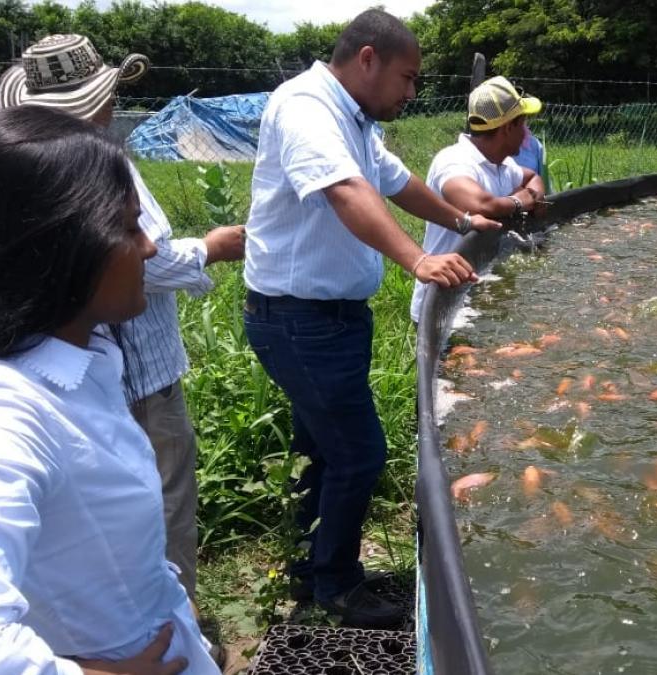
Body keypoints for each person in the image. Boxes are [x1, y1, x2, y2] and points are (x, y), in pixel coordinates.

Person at [242, 9, 499, 628]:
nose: (411, 92)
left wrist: (463, 224)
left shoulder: (352, 117)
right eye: (407, 77)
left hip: (328, 319)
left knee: (323, 448)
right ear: (367, 60)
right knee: (360, 455)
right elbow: (347, 191)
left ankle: (307, 564)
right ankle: (336, 583)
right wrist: (417, 258)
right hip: (299, 319)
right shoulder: (306, 106)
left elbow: (397, 181)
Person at [0, 33, 247, 601]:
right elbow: (148, 263)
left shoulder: (35, 168)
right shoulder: (95, 172)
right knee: (163, 501)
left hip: (107, 366)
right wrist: (209, 247)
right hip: (139, 376)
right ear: (97, 103)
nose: (146, 244)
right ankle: (174, 624)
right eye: (132, 229)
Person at [0, 105, 218, 674]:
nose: (151, 249)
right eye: (130, 227)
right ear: (63, 242)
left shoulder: (83, 363)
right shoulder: (7, 411)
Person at [410, 76, 548, 323]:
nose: (527, 132)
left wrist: (534, 193)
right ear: (507, 127)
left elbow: (531, 177)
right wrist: (520, 202)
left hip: (483, 295)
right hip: (444, 305)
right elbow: (480, 205)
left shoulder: (502, 164)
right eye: (523, 123)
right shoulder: (454, 161)